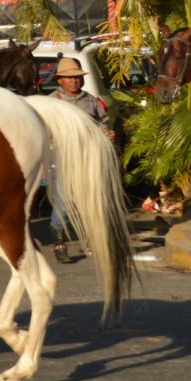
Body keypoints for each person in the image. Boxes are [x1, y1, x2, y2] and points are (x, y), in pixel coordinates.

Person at [46, 57, 116, 263]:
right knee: (65, 202)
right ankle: (59, 244)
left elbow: (102, 121)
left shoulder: (90, 100)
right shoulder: (52, 102)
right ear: (60, 80)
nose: (74, 81)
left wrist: (107, 133)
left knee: (93, 200)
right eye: (69, 78)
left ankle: (95, 243)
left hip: (90, 158)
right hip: (64, 159)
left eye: (76, 77)